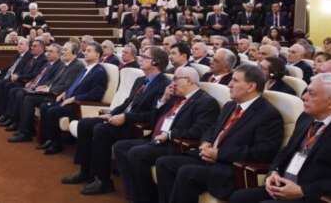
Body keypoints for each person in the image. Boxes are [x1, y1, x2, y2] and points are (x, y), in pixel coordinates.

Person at [229, 73, 331, 203]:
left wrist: (303, 191)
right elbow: (286, 151)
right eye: (306, 91)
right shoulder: (306, 117)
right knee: (239, 198)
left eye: (311, 94)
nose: (304, 97)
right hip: (285, 186)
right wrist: (273, 172)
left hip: (315, 196)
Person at [155, 64, 284, 203]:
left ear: (251, 86)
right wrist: (205, 142)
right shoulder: (230, 105)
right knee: (164, 163)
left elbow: (263, 152)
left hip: (230, 167)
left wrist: (219, 154)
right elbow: (211, 128)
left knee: (187, 172)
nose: (229, 85)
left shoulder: (268, 114)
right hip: (208, 158)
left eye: (235, 81)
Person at [60, 47, 171, 194]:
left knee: (101, 130)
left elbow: (152, 115)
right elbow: (127, 103)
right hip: (124, 119)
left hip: (137, 126)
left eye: (145, 57)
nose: (141, 59)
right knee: (85, 123)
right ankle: (85, 171)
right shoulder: (140, 80)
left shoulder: (163, 84)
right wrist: (111, 113)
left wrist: (125, 117)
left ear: (156, 62)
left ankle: (103, 181)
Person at [113, 66, 220, 203]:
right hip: (156, 139)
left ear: (189, 80)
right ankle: (133, 194)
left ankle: (145, 199)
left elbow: (199, 130)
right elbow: (153, 119)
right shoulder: (175, 98)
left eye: (176, 79)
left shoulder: (205, 102)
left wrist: (170, 134)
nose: (172, 83)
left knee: (137, 153)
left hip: (174, 144)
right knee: (120, 147)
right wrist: (163, 100)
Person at [38, 42, 108, 154]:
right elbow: (74, 85)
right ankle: (50, 139)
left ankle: (56, 144)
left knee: (52, 111)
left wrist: (74, 98)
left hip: (79, 106)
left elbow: (95, 94)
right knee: (45, 106)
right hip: (69, 101)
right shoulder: (85, 69)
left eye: (89, 51)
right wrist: (65, 93)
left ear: (97, 55)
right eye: (85, 50)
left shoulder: (99, 72)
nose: (85, 53)